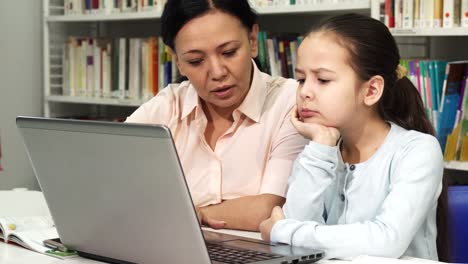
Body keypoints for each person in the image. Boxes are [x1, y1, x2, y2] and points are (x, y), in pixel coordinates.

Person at [259, 13, 448, 261]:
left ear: (371, 90)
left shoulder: (418, 150)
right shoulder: (319, 149)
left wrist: (283, 231)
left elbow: (386, 241)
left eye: (323, 80)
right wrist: (320, 147)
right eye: (301, 79)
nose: (304, 92)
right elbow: (294, 248)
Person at [125, 0, 307, 231]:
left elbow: (269, 210)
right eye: (196, 61)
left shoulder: (291, 102)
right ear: (178, 61)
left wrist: (194, 214)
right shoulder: (169, 105)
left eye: (229, 53)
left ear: (252, 41)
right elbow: (110, 177)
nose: (218, 72)